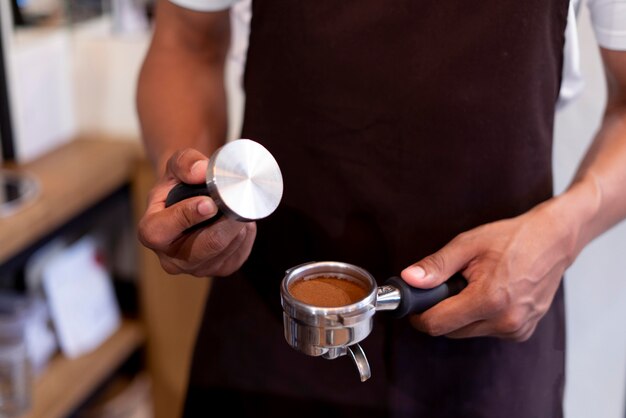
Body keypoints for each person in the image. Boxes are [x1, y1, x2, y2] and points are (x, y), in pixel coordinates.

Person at [135, 0, 626, 416]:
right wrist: (197, 191)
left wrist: (566, 231)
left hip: (489, 346)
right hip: (274, 328)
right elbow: (185, 45)